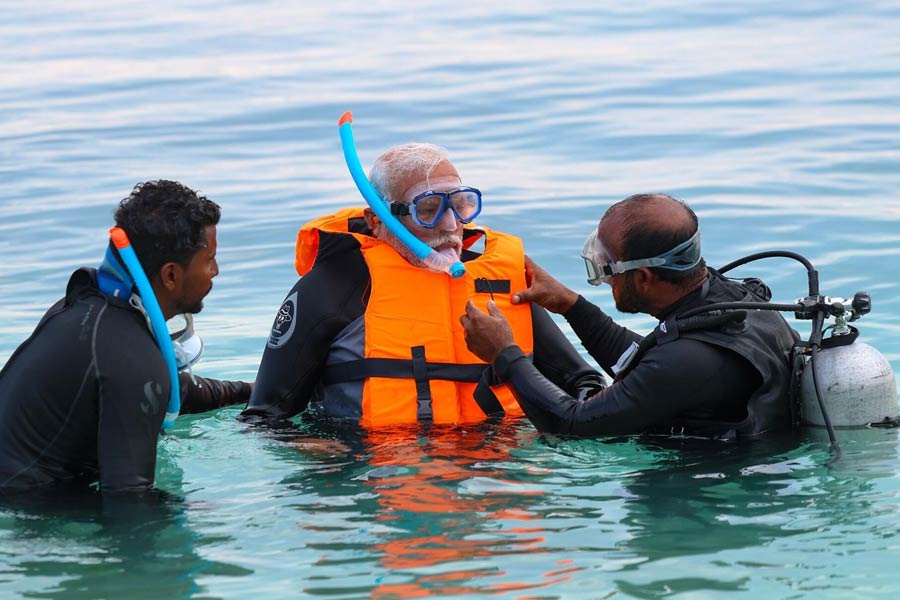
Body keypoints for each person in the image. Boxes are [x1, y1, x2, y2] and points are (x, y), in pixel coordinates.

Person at [242, 143, 604, 427]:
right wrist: (322, 456)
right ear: (377, 219)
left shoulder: (498, 281)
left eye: (462, 205)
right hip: (376, 477)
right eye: (427, 209)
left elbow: (584, 381)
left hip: (495, 475)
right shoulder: (334, 287)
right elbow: (263, 417)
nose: (450, 225)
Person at [460, 193, 800, 439]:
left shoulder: (687, 360)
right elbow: (647, 364)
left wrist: (504, 355)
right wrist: (569, 305)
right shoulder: (736, 301)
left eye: (607, 268)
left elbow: (572, 425)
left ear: (644, 278)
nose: (605, 279)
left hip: (713, 494)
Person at [0, 180, 251, 495]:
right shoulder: (133, 360)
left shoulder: (89, 311)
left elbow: (164, 387)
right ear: (171, 275)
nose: (215, 270)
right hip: (29, 510)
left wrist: (247, 391)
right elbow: (129, 501)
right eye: (209, 259)